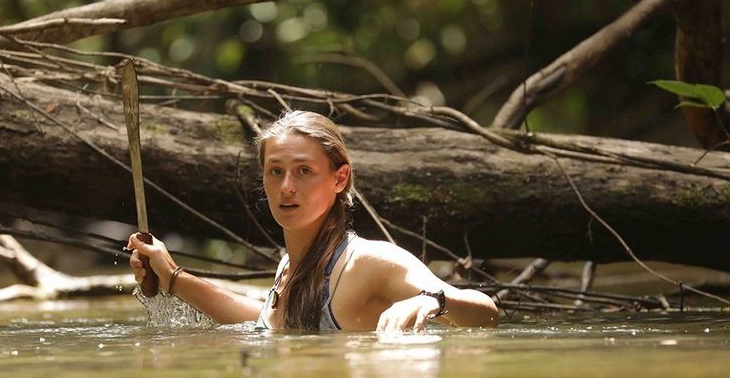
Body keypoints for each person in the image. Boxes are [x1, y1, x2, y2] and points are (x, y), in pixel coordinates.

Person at [127, 110, 498, 331]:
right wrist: (172, 277)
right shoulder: (289, 266)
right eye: (276, 171)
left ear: (339, 178)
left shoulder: (368, 262)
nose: (287, 187)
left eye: (304, 170)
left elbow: (488, 313)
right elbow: (265, 325)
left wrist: (435, 300)